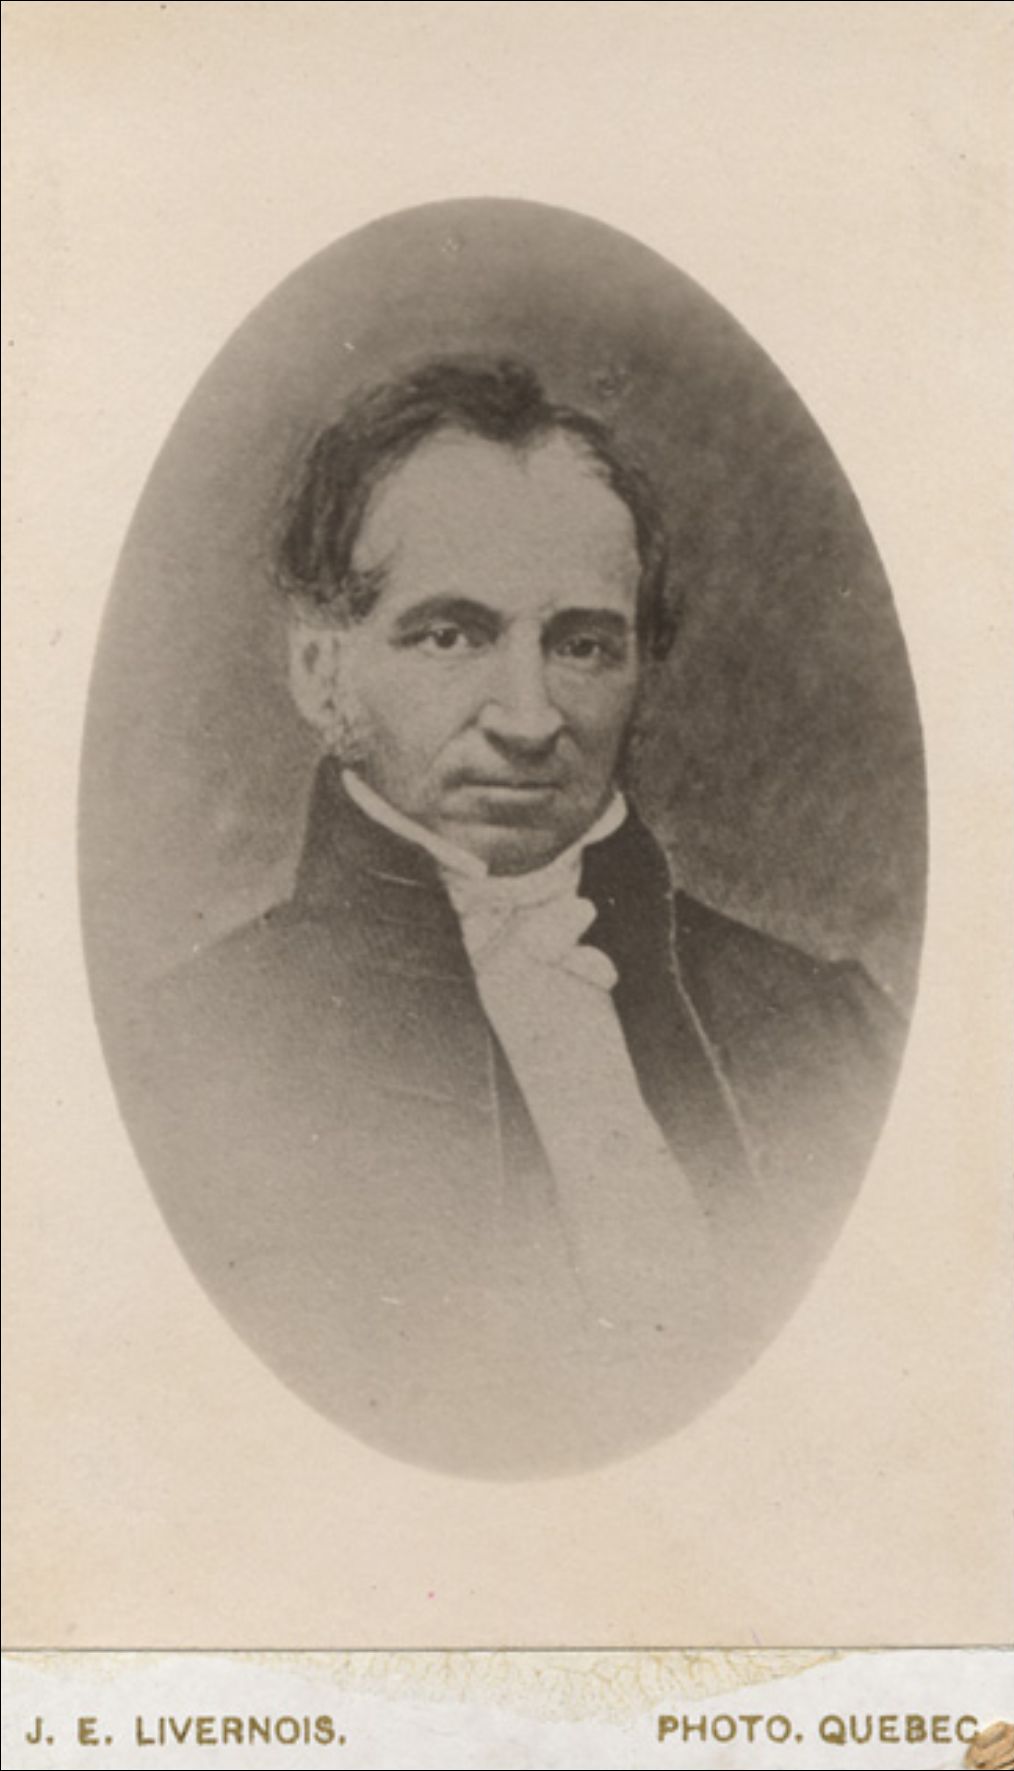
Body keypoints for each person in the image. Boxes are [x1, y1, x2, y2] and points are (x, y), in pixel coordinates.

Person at [126, 356, 904, 1474]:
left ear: (640, 669)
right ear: (319, 669)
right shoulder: (173, 1064)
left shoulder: (833, 1034)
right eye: (452, 634)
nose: (530, 719)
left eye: (582, 644)